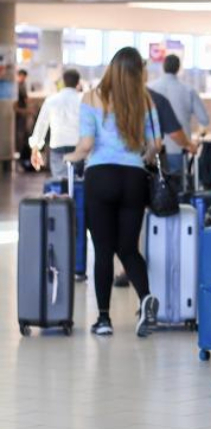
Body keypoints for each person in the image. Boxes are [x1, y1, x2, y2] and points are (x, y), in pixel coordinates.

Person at [64, 47, 162, 338]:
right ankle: (145, 298)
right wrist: (142, 157)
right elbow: (156, 144)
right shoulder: (145, 100)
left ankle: (104, 319)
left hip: (101, 177)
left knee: (104, 250)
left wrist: (69, 157)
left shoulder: (91, 98)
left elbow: (86, 144)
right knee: (128, 248)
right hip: (134, 179)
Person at [149, 54, 210, 175]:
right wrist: (196, 138)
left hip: (152, 148)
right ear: (178, 68)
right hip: (179, 147)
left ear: (163, 66)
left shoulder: (150, 89)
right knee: (177, 183)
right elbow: (204, 119)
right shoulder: (188, 90)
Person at [29, 68, 83, 180]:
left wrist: (35, 149)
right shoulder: (83, 100)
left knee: (60, 183)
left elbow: (41, 125)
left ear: (63, 82)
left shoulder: (51, 100)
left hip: (58, 145)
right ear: (78, 83)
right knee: (79, 184)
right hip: (79, 146)